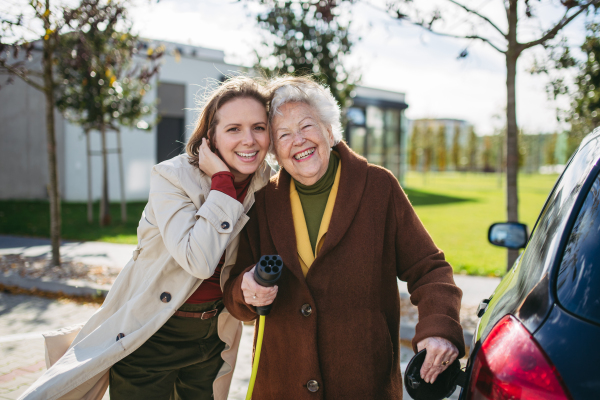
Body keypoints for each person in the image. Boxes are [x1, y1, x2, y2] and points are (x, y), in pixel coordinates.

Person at [19, 76, 272, 400]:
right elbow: (200, 260)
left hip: (213, 338)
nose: (248, 140)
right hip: (150, 332)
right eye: (233, 129)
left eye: (259, 128)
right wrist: (222, 182)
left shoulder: (266, 185)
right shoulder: (172, 178)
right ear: (211, 137)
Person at [223, 76, 465, 399]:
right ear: (274, 151)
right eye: (283, 134)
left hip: (364, 386)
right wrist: (246, 290)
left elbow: (429, 268)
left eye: (307, 126)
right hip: (278, 387)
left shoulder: (379, 188)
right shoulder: (262, 201)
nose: (298, 140)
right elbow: (235, 294)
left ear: (329, 130)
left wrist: (438, 328)